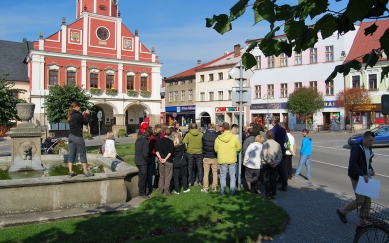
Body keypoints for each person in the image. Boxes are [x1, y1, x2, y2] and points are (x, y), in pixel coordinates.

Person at [336, 131, 375, 225]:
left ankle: (363, 222)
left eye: (372, 141)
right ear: (364, 138)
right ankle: (342, 211)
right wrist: (362, 174)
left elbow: (368, 162)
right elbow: (353, 163)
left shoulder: (369, 148)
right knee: (360, 200)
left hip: (365, 176)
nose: (371, 142)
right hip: (356, 176)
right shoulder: (356, 148)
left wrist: (371, 170)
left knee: (368, 200)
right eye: (370, 140)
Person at [67, 101, 94, 177]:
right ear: (77, 107)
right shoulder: (77, 115)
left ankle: (71, 171)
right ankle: (86, 172)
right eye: (79, 106)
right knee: (82, 153)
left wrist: (83, 115)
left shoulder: (71, 115)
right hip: (77, 136)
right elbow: (85, 122)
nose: (80, 108)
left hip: (70, 136)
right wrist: (88, 114)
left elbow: (79, 121)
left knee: (71, 154)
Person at [214, 122, 242, 195]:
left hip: (223, 158)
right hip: (232, 158)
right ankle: (232, 191)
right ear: (229, 128)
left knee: (223, 176)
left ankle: (222, 192)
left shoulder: (218, 138)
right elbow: (239, 147)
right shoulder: (234, 137)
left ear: (222, 128)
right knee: (232, 176)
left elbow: (216, 149)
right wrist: (233, 150)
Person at [260, 130, 282, 199]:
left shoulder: (265, 144)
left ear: (266, 136)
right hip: (274, 163)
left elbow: (265, 155)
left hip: (267, 163)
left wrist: (270, 162)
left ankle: (268, 194)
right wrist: (276, 162)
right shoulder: (277, 144)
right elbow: (279, 155)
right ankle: (274, 193)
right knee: (273, 179)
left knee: (267, 179)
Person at [155, 127, 174, 196]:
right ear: (170, 134)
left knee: (161, 176)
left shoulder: (159, 140)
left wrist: (160, 158)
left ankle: (160, 191)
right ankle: (167, 191)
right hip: (168, 160)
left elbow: (156, 150)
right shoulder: (170, 141)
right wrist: (165, 159)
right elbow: (170, 152)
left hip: (161, 160)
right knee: (168, 177)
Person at [271, 116, 288, 192]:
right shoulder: (283, 130)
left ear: (273, 122)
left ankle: (273, 185)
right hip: (281, 149)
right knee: (282, 168)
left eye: (271, 121)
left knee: (273, 167)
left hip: (274, 150)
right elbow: (286, 139)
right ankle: (284, 185)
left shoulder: (272, 131)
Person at [201, 123, 219, 193]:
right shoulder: (217, 136)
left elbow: (202, 145)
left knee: (206, 173)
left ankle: (206, 188)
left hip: (206, 155)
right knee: (215, 172)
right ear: (214, 128)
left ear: (208, 128)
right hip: (214, 156)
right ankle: (214, 187)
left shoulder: (204, 135)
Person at [135, 129, 150, 199]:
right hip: (143, 161)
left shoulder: (138, 140)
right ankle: (142, 193)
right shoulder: (145, 141)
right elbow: (145, 153)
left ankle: (142, 191)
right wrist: (147, 160)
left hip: (138, 160)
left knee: (141, 177)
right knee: (143, 177)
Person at [147, 126, 161, 194]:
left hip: (151, 155)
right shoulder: (154, 140)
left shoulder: (151, 138)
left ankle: (152, 184)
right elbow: (154, 149)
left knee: (152, 171)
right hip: (153, 156)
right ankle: (151, 186)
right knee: (153, 172)